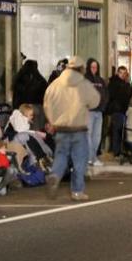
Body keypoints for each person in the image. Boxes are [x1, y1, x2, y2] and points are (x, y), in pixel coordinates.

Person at [43, 56, 100, 201]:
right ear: (81, 69)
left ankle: (55, 175)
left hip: (61, 128)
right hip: (78, 127)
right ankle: (77, 191)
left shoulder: (55, 84)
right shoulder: (83, 84)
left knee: (61, 155)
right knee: (80, 160)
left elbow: (47, 103)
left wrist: (52, 120)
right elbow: (95, 101)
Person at [5, 104, 53, 168]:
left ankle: (40, 160)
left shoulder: (23, 121)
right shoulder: (18, 120)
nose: (32, 117)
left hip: (16, 140)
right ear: (25, 115)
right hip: (12, 140)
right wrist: (33, 132)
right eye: (31, 115)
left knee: (31, 143)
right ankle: (40, 160)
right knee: (30, 141)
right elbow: (21, 131)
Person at [12, 59, 48, 130]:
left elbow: (16, 96)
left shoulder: (19, 79)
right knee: (35, 131)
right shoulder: (40, 79)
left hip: (21, 108)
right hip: (37, 109)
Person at [85, 58, 108, 166]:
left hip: (99, 112)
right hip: (88, 112)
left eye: (96, 67)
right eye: (92, 67)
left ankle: (92, 157)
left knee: (97, 136)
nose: (94, 69)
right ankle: (91, 158)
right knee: (88, 135)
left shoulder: (101, 80)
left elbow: (106, 94)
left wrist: (103, 106)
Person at [107, 66, 131, 157]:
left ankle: (118, 149)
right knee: (117, 130)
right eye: (121, 73)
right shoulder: (115, 83)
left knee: (119, 130)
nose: (123, 75)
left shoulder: (124, 83)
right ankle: (116, 150)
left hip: (122, 109)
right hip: (117, 109)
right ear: (118, 73)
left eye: (124, 73)